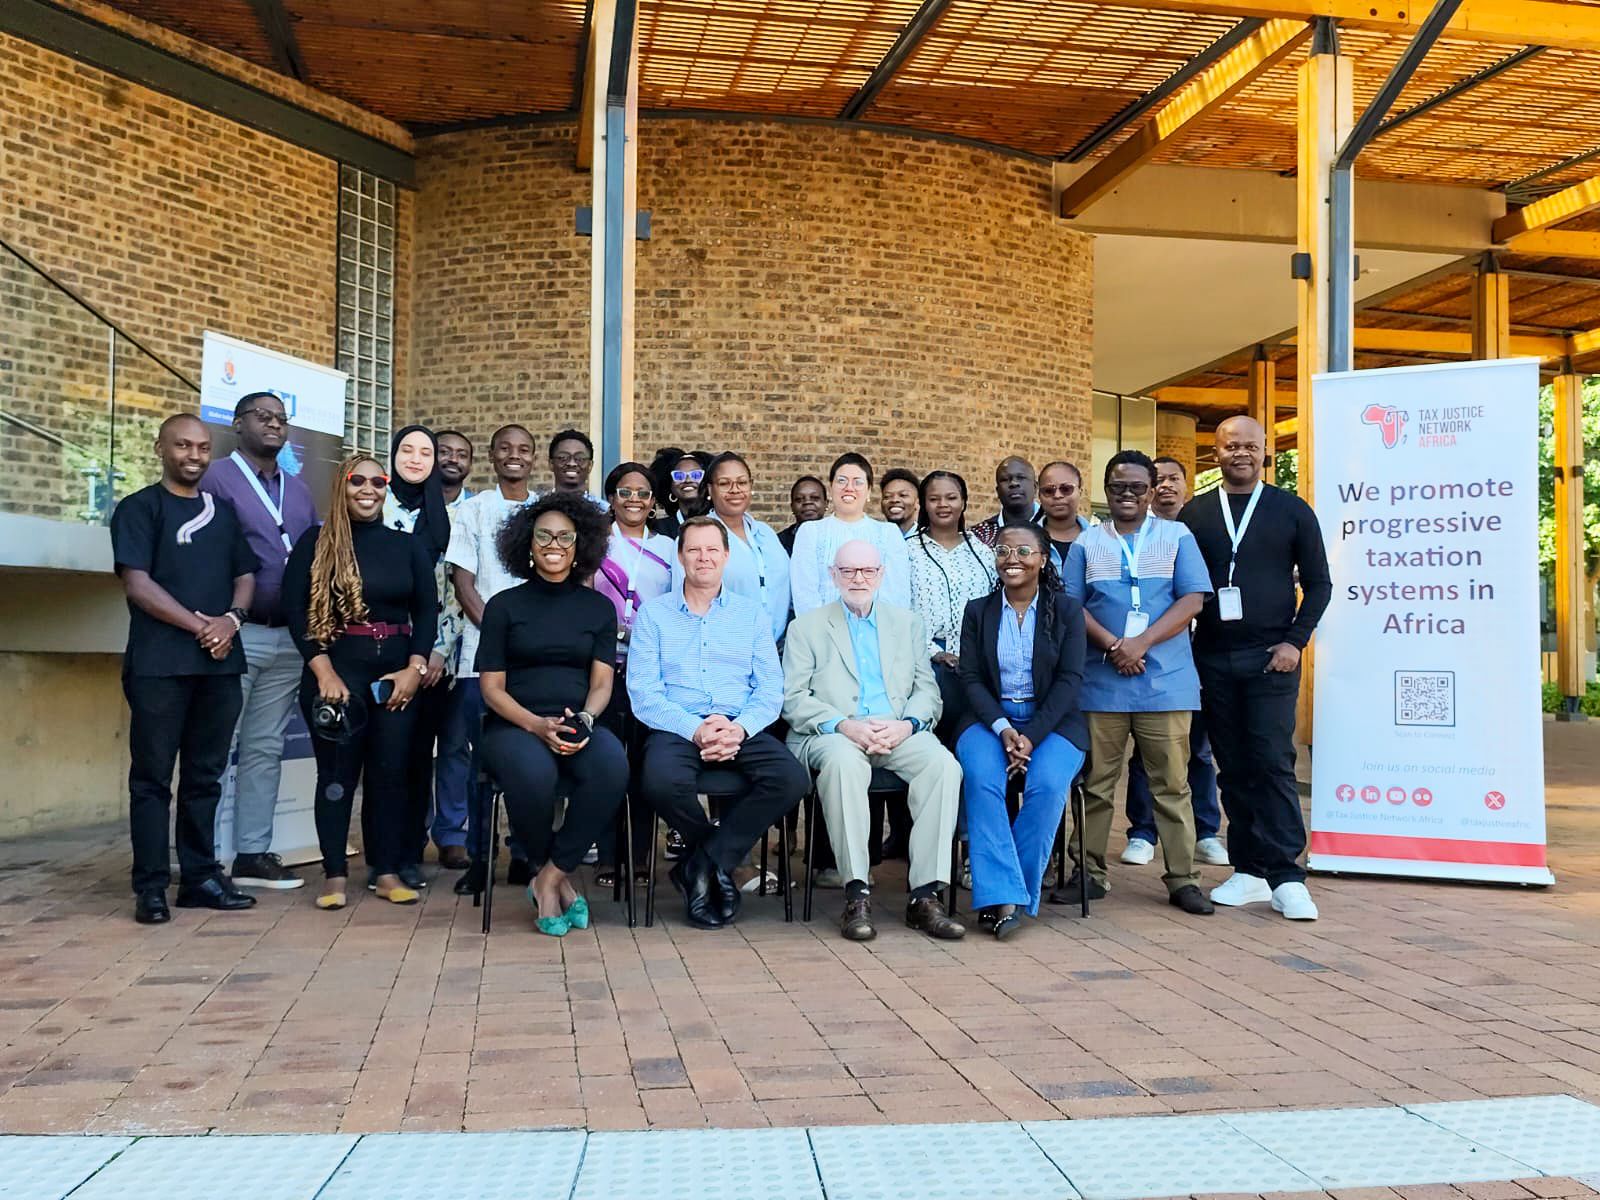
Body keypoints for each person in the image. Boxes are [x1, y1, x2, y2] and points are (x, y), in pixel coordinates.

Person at [1180, 416, 1332, 921]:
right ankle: (1248, 870)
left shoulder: (1292, 510)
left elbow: (1320, 584)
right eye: (1231, 446)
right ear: (1216, 453)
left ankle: (1287, 876)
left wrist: (1295, 641)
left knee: (1271, 762)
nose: (1240, 453)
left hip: (1272, 658)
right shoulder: (1196, 513)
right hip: (1212, 657)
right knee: (1233, 766)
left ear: (1265, 452)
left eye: (1250, 445)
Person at [113, 414, 260, 924]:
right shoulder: (139, 508)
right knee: (152, 780)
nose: (193, 455)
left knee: (205, 778)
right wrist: (202, 627)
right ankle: (151, 886)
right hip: (159, 666)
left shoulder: (223, 511)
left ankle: (200, 879)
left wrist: (231, 620)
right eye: (182, 445)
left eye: (201, 447)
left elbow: (246, 575)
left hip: (220, 668)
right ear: (160, 449)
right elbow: (138, 584)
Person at [629, 517, 810, 929]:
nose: (703, 558)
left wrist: (739, 728)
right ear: (680, 557)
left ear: (726, 556)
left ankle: (701, 864)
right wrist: (695, 729)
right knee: (659, 781)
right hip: (677, 725)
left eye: (712, 549)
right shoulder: (654, 615)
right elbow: (644, 693)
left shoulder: (751, 615)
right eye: (694, 549)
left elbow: (770, 689)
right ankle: (716, 859)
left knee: (791, 780)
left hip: (738, 724)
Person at [782, 540, 964, 943]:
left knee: (943, 766)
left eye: (867, 571)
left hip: (896, 729)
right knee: (845, 765)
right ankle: (857, 892)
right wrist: (845, 725)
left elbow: (926, 690)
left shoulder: (907, 623)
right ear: (833, 575)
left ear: (881, 575)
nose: (858, 579)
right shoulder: (806, 627)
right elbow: (793, 699)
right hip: (833, 732)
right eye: (848, 571)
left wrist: (908, 725)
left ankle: (924, 895)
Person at [1062, 450, 1214, 916]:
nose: (1127, 494)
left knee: (1172, 784)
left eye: (1136, 487)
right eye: (1117, 486)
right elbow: (1071, 606)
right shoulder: (1087, 542)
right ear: (1106, 491)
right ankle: (1089, 873)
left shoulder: (1177, 535)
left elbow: (1193, 599)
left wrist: (1141, 643)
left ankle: (1183, 878)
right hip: (1102, 683)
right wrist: (1115, 646)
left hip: (1165, 682)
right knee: (1097, 782)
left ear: (1151, 491)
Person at [283, 455, 438, 909]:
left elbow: (426, 611)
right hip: (337, 674)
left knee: (390, 775)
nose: (368, 489)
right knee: (337, 778)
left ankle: (385, 871)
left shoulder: (406, 546)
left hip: (395, 677)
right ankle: (334, 874)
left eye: (377, 481)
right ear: (341, 486)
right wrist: (323, 670)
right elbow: (296, 610)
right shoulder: (316, 543)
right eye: (357, 481)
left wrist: (415, 669)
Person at [476, 493, 628, 936]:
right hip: (514, 724)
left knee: (612, 767)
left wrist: (586, 719)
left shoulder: (598, 608)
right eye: (544, 536)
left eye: (565, 536)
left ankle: (549, 876)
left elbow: (602, 684)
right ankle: (553, 881)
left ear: (581, 545)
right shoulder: (503, 606)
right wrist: (535, 725)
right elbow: (491, 689)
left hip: (577, 720)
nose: (554, 545)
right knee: (534, 774)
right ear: (528, 543)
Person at [201, 390, 317, 891]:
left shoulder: (300, 490)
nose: (273, 425)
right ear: (238, 422)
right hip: (236, 634)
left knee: (265, 747)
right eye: (262, 416)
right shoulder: (215, 479)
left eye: (281, 419)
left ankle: (252, 853)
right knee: (214, 745)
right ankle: (200, 858)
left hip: (288, 637)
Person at [955, 523, 1087, 939]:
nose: (1012, 559)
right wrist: (1002, 728)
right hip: (988, 720)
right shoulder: (978, 611)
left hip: (1053, 723)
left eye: (1024, 551)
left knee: (1047, 785)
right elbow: (971, 678)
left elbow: (1070, 680)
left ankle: (1009, 895)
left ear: (1043, 559)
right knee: (981, 780)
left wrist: (1032, 736)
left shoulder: (1067, 611)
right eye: (1003, 551)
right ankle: (1004, 897)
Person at [445, 424, 537, 895]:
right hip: (481, 658)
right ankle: (480, 858)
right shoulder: (473, 510)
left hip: (536, 661)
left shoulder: (545, 511)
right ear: (493, 456)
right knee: (480, 763)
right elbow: (463, 583)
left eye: (523, 449)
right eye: (505, 448)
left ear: (533, 457)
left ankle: (524, 853)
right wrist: (500, 635)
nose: (514, 455)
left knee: (530, 762)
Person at [1122, 455, 1226, 869]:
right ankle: (1143, 831)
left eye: (1173, 478)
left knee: (1197, 749)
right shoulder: (1130, 533)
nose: (1166, 485)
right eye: (1159, 479)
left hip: (1198, 653)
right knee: (1146, 752)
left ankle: (1206, 831)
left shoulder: (1198, 529)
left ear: (1187, 484)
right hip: (1147, 658)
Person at [381, 425, 464, 887]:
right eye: (407, 450)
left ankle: (410, 853)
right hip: (379, 650)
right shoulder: (374, 505)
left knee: (418, 758)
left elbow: (453, 591)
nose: (415, 459)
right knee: (384, 760)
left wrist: (436, 651)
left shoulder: (445, 517)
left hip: (430, 660)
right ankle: (385, 855)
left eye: (425, 452)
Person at [590, 461, 676, 888]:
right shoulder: (594, 543)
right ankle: (608, 856)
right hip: (601, 668)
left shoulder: (669, 548)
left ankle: (639, 857)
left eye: (643, 493)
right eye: (625, 492)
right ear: (611, 498)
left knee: (644, 766)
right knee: (607, 763)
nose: (634, 499)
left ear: (654, 500)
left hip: (650, 670)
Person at [905, 470, 996, 741]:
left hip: (975, 661)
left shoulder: (983, 553)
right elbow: (897, 611)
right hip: (923, 662)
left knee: (969, 737)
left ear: (964, 502)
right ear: (924, 504)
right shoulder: (906, 551)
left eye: (951, 497)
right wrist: (935, 652)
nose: (943, 505)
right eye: (934, 499)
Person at [674, 451, 790, 644]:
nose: (735, 489)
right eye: (724, 483)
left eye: (742, 482)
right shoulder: (695, 536)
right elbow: (684, 606)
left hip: (775, 649)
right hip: (722, 649)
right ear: (710, 489)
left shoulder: (766, 534)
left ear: (751, 485)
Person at [425, 429, 476, 867]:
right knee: (411, 747)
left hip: (462, 647)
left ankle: (451, 831)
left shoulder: (475, 512)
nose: (452, 459)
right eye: (444, 451)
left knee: (456, 745)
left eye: (461, 454)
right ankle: (409, 829)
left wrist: (443, 648)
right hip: (410, 646)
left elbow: (469, 586)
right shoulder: (403, 509)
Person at [790, 453, 912, 615]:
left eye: (858, 482)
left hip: (878, 628)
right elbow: (804, 594)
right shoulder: (811, 532)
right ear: (831, 488)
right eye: (841, 481)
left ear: (869, 491)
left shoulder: (888, 533)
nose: (849, 487)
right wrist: (822, 629)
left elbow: (897, 596)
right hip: (822, 628)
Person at [971, 456, 1042, 547]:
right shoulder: (978, 537)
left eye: (1021, 477)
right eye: (1005, 479)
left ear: (1035, 487)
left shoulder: (1054, 526)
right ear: (998, 491)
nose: (1014, 483)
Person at [1038, 460, 1092, 575]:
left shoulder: (1099, 540)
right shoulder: (1026, 540)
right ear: (1039, 496)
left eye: (1066, 489)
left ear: (1080, 492)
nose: (1057, 495)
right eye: (1049, 491)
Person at [649, 448, 711, 537]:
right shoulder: (660, 528)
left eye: (696, 475)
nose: (688, 480)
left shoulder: (720, 520)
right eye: (679, 476)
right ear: (670, 484)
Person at [547, 428, 605, 508]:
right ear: (551, 464)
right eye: (563, 458)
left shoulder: (603, 511)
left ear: (590, 465)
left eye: (580, 458)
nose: (572, 464)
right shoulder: (538, 509)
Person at [777, 475, 826, 555]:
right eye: (799, 499)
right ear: (792, 507)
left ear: (826, 503)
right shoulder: (778, 542)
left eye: (815, 498)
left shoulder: (839, 536)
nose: (807, 502)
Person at [879, 468, 920, 536]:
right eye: (887, 496)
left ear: (917, 502)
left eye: (903, 495)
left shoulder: (928, 539)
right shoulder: (873, 537)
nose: (894, 500)